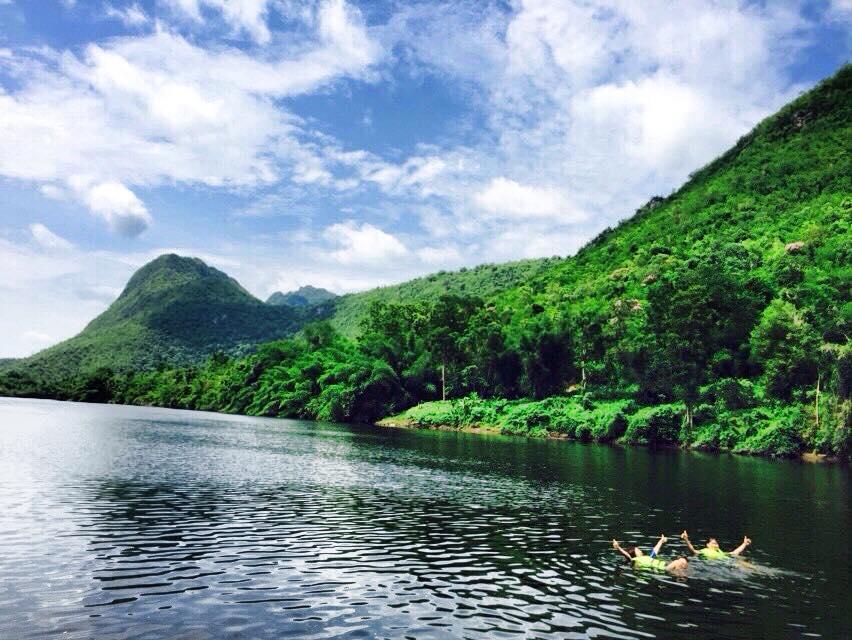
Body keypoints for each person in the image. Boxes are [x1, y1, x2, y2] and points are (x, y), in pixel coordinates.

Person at [612, 535, 689, 573]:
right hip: (665, 569)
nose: (640, 551)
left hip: (666, 565)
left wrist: (661, 541)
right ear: (634, 554)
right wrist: (618, 547)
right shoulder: (634, 560)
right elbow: (627, 555)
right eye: (638, 550)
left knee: (682, 560)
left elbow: (654, 551)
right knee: (678, 562)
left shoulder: (647, 557)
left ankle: (683, 573)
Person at [680, 531, 751, 559]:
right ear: (707, 545)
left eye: (716, 543)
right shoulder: (703, 551)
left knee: (742, 563)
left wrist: (744, 544)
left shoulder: (721, 552)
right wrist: (686, 539)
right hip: (711, 565)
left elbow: (735, 552)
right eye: (713, 543)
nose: (716, 545)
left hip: (724, 565)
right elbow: (693, 550)